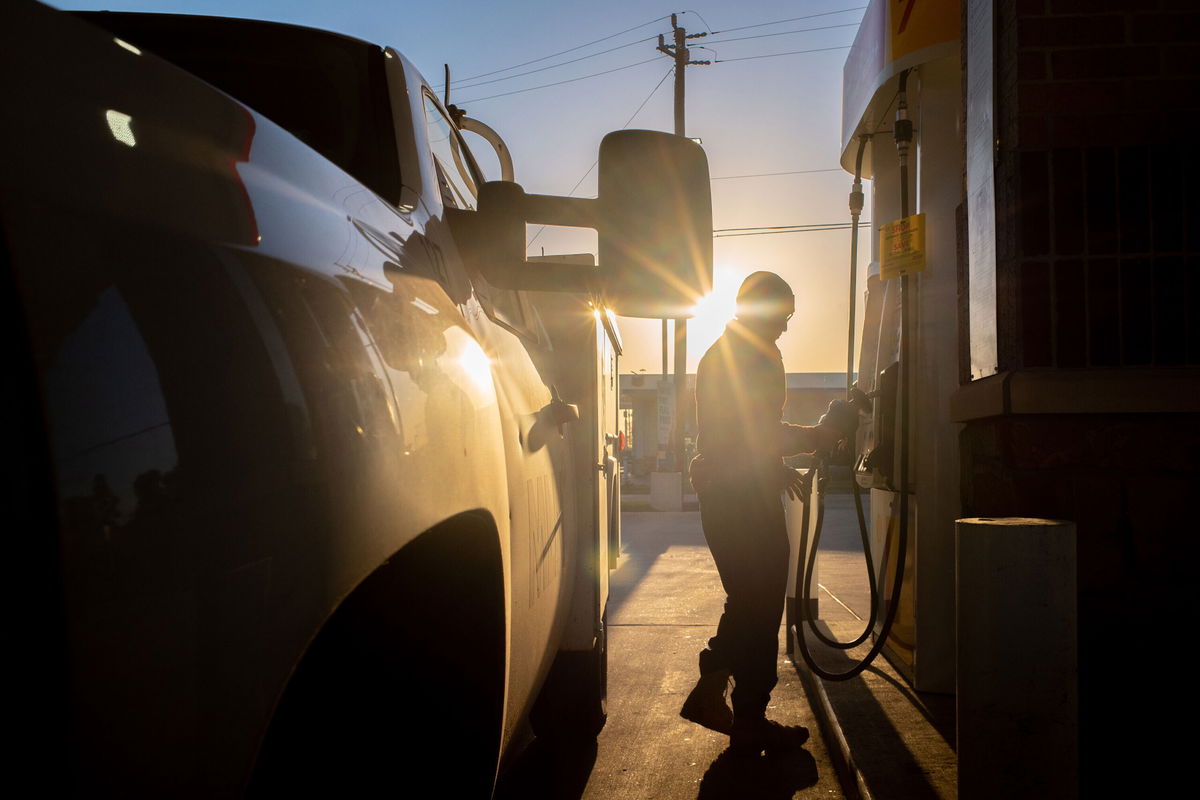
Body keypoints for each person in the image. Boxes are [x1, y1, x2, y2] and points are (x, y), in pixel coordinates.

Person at [679, 271, 849, 756]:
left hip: (735, 492)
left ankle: (731, 704)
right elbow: (755, 428)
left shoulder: (732, 352)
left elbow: (735, 431)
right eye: (783, 315)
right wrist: (815, 436)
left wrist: (773, 469)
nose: (787, 327)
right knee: (759, 602)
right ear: (762, 310)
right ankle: (731, 702)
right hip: (740, 500)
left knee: (750, 601)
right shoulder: (747, 356)